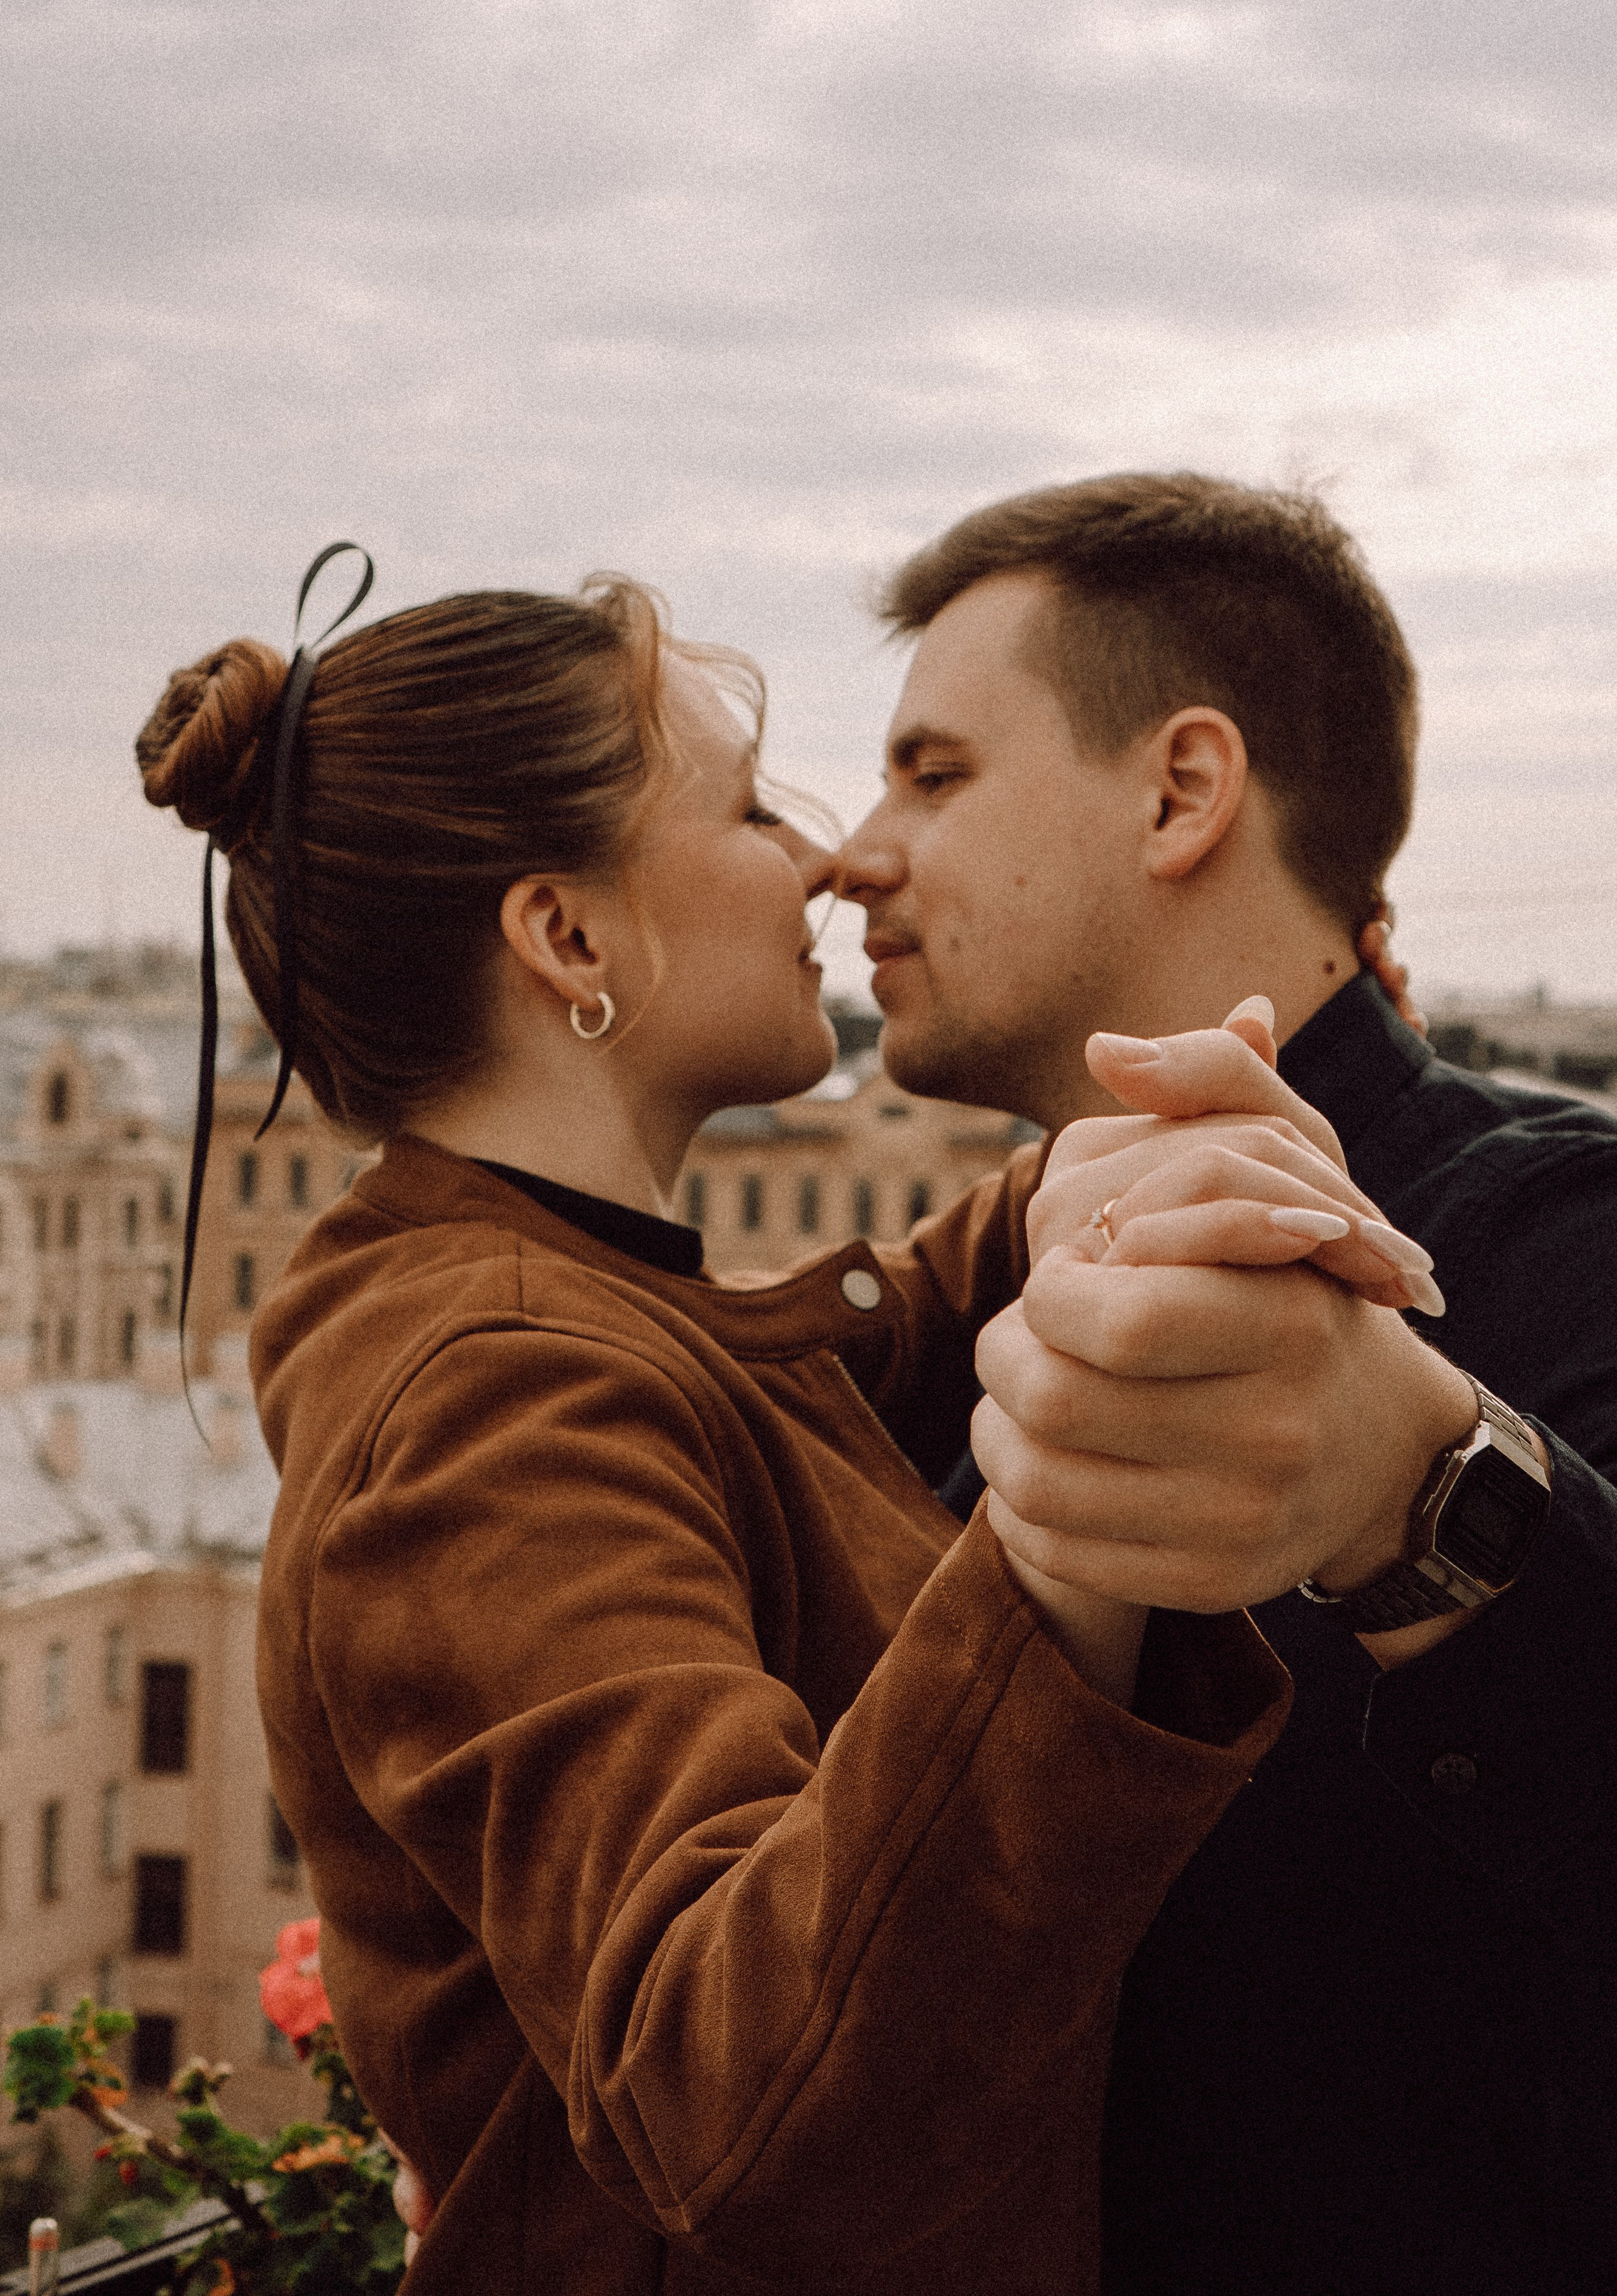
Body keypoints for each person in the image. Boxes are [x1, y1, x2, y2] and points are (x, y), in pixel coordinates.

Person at [136, 569, 1463, 2294]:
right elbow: (742, 2101)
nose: (826, 859)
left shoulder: (562, 1305)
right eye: (750, 807)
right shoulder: (488, 1395)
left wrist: (1152, 1143)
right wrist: (1067, 1534)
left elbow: (835, 1355)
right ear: (569, 940)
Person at [837, 471, 1617, 2295]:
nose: (853, 852)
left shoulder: (1558, 1236)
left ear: (1183, 790)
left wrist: (1420, 1492)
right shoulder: (961, 1317)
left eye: (932, 774)